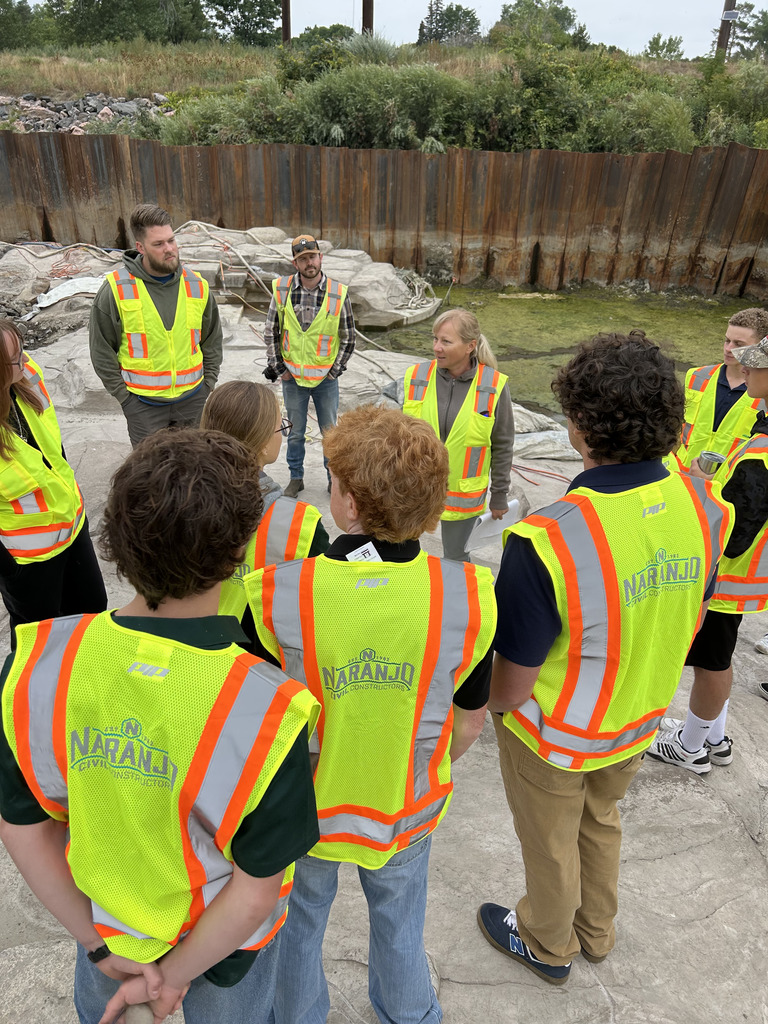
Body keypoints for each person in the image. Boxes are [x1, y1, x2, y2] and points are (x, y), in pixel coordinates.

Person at [0, 428, 320, 1024]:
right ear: (237, 552)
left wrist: (98, 947)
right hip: (226, 960)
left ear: (115, 543)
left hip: (106, 934)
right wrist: (172, 979)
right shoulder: (267, 709)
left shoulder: (39, 665)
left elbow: (23, 829)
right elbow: (254, 890)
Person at [477, 332, 732, 984]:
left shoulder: (547, 538)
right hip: (639, 716)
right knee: (602, 822)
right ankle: (596, 930)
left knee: (550, 843)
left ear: (579, 428)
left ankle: (546, 941)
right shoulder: (705, 507)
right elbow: (692, 609)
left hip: (556, 736)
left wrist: (485, 707)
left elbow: (510, 686)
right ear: (673, 422)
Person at [243, 405, 497, 1024]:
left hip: (304, 812)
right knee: (401, 924)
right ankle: (411, 1014)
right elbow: (468, 721)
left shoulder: (280, 592)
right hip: (405, 804)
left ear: (349, 504)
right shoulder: (467, 596)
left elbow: (249, 718)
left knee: (297, 929)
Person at [649, 333, 768, 770]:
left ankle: (690, 747)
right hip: (739, 579)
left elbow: (737, 533)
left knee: (710, 661)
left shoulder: (763, 450)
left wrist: (703, 488)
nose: (746, 367)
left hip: (728, 575)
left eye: (756, 361)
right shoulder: (760, 424)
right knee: (716, 658)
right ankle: (711, 737)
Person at [0, 319, 106, 643]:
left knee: (93, 610)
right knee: (41, 638)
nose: (25, 361)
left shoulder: (28, 378)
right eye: (15, 358)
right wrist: (9, 570)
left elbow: (52, 449)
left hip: (73, 529)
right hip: (29, 561)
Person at [199, 380, 329, 635]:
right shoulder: (300, 524)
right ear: (262, 443)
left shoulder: (170, 496)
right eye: (281, 427)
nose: (284, 433)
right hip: (256, 658)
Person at [89, 204, 223, 448]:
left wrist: (207, 385)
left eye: (171, 240)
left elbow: (212, 341)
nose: (170, 249)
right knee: (150, 477)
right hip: (143, 407)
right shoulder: (116, 290)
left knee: (192, 471)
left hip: (192, 401)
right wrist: (126, 399)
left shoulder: (198, 286)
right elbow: (101, 352)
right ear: (140, 247)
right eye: (159, 244)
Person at [402, 308, 514, 561]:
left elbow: (503, 445)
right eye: (435, 339)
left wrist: (499, 495)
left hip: (462, 497)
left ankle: (458, 600)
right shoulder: (417, 377)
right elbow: (399, 437)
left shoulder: (493, 385)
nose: (436, 348)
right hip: (413, 490)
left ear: (469, 346)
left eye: (446, 341)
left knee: (456, 559)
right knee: (401, 554)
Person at [264, 233, 356, 497]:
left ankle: (332, 479)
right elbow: (271, 331)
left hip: (325, 381)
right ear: (295, 264)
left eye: (312, 257)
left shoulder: (338, 294)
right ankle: (296, 477)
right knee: (294, 433)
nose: (309, 263)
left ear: (320, 257)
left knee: (330, 434)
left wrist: (334, 372)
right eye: (302, 259)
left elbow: (349, 338)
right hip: (293, 379)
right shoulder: (281, 290)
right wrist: (280, 369)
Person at [677, 306, 768, 472]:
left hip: (726, 486)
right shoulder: (696, 376)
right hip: (682, 473)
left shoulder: (763, 394)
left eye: (739, 344)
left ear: (759, 350)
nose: (728, 348)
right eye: (727, 341)